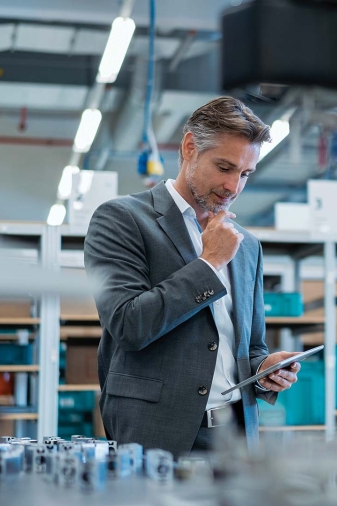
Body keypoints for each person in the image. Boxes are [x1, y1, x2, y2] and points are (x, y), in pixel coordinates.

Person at [84, 97, 301, 457]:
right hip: (154, 432)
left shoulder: (247, 247)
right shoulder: (122, 219)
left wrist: (264, 371)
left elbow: (251, 347)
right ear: (189, 148)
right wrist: (209, 263)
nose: (234, 187)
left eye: (245, 174)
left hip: (236, 437)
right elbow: (128, 324)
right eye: (224, 167)